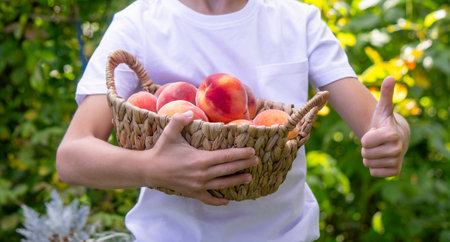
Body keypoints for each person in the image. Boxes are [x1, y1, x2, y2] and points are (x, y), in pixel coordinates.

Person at [56, 0, 410, 241]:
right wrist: (153, 167)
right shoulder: (141, 23)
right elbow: (72, 157)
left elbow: (379, 125)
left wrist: (394, 137)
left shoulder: (296, 20)